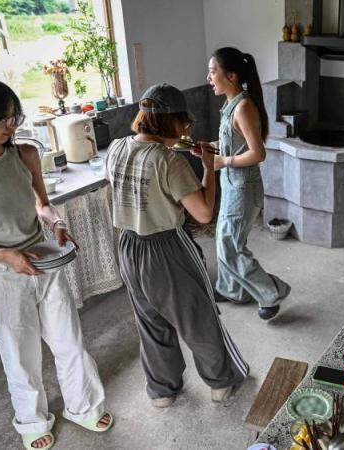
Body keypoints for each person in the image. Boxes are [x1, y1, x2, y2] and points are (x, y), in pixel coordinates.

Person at [0, 75, 112, 450]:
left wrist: (57, 223)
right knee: (20, 357)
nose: (11, 125)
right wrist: (4, 256)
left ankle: (83, 407)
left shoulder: (25, 154)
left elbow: (42, 205)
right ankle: (32, 421)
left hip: (44, 262)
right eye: (3, 119)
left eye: (14, 116)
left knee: (70, 342)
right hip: (3, 276)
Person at [105, 83, 248, 409]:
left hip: (128, 246)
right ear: (172, 120)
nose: (186, 129)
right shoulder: (168, 161)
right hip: (167, 248)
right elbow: (203, 213)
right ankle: (220, 382)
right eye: (185, 122)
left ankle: (163, 390)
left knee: (151, 320)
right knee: (198, 317)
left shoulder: (116, 148)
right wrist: (208, 167)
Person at [206, 47, 290, 320]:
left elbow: (258, 153)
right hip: (233, 184)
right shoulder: (231, 105)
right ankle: (231, 289)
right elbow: (235, 143)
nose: (208, 78)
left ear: (231, 76)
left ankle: (271, 292)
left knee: (231, 244)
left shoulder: (243, 107)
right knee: (225, 238)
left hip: (243, 187)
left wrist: (224, 161)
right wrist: (209, 148)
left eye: (213, 72)